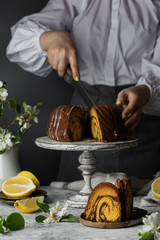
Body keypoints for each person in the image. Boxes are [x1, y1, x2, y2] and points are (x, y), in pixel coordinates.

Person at [6, 0, 160, 181]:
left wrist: (145, 90)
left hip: (142, 115)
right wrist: (52, 38)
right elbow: (18, 41)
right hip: (80, 122)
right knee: (75, 201)